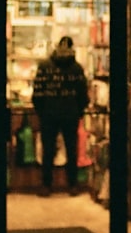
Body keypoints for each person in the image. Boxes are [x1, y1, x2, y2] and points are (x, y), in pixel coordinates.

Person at [32, 36, 89, 196]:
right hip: (70, 114)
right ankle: (72, 185)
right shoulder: (76, 68)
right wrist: (79, 111)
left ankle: (46, 185)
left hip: (49, 114)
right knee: (71, 150)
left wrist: (41, 111)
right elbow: (82, 94)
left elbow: (38, 92)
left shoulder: (44, 66)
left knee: (48, 150)